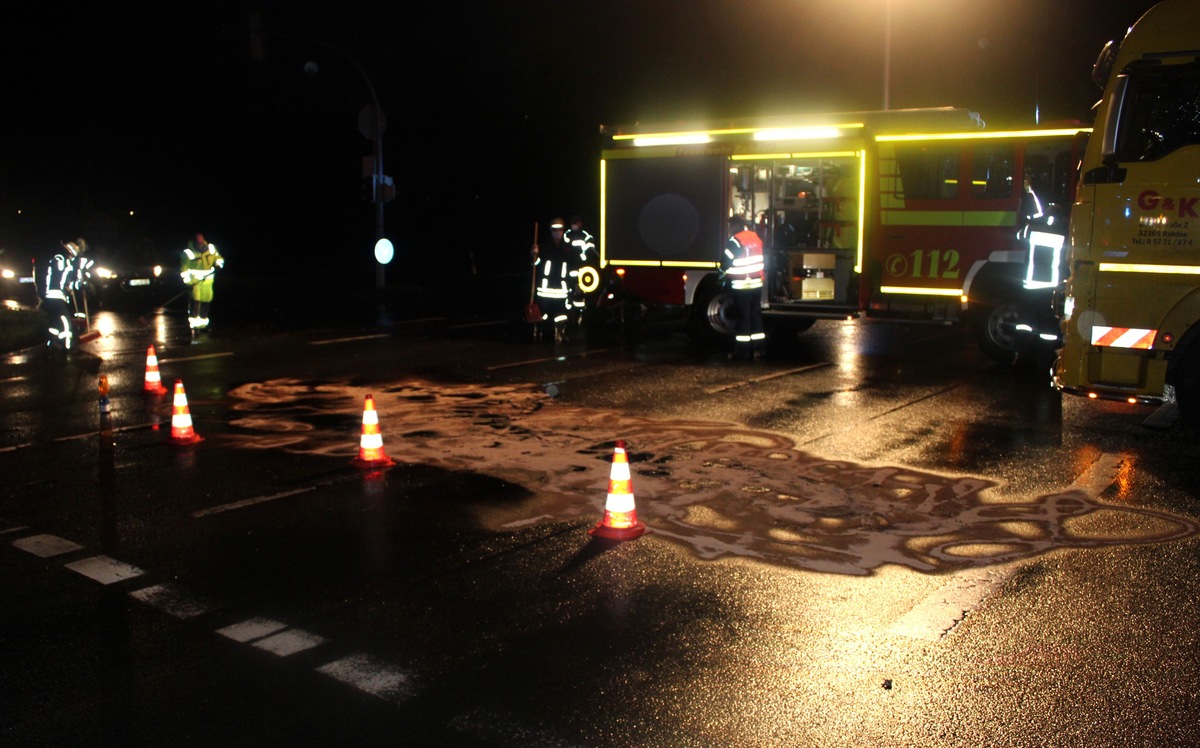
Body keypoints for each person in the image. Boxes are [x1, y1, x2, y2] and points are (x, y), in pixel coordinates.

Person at [722, 215, 766, 360]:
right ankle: (759, 350)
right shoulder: (754, 237)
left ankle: (742, 352)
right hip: (756, 283)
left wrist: (722, 273)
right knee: (755, 315)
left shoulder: (735, 240)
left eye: (730, 226)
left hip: (742, 284)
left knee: (743, 318)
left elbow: (725, 262)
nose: (729, 229)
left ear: (735, 226)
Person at [532, 218, 572, 343]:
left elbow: (573, 267)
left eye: (559, 229)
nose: (557, 232)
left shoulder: (568, 248)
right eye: (555, 230)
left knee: (561, 314)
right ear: (551, 231)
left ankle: (560, 332)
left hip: (561, 288)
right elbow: (535, 264)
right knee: (544, 313)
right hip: (545, 288)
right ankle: (541, 332)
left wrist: (574, 284)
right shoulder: (543, 247)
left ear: (563, 231)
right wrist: (534, 254)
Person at [41, 241, 81, 353]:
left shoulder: (55, 260)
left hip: (49, 296)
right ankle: (67, 346)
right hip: (58, 296)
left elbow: (55, 277)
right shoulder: (64, 262)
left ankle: (51, 342)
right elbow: (66, 278)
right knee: (65, 322)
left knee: (54, 321)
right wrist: (73, 284)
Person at [180, 232, 225, 334]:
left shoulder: (211, 248)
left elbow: (218, 258)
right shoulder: (188, 253)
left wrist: (219, 264)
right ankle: (194, 325)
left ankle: (203, 323)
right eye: (198, 239)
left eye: (201, 239)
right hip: (195, 282)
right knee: (195, 301)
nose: (200, 241)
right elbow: (184, 269)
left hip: (208, 281)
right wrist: (188, 282)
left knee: (206, 301)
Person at [564, 215, 598, 326]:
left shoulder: (585, 236)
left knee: (580, 291)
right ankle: (569, 314)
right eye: (573, 223)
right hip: (569, 267)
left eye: (577, 223)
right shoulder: (567, 234)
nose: (575, 225)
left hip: (581, 268)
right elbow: (564, 248)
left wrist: (584, 256)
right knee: (568, 290)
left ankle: (580, 315)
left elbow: (590, 250)